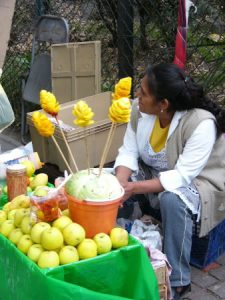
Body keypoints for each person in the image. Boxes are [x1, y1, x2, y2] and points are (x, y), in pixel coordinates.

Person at [114, 63, 225, 300]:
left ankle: (179, 281)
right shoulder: (139, 110)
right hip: (157, 172)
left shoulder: (201, 123)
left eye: (143, 93)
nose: (137, 96)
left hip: (200, 181)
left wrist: (132, 188)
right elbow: (128, 151)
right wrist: (119, 183)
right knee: (106, 181)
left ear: (163, 104)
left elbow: (181, 176)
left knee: (173, 200)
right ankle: (112, 252)